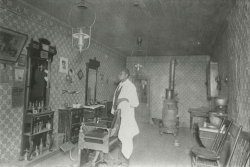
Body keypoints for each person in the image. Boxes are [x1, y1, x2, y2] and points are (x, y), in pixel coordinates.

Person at [111, 68, 139, 167]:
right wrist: (114, 111)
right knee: (119, 138)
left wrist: (124, 99)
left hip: (127, 117)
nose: (119, 75)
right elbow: (115, 100)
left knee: (126, 139)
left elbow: (136, 103)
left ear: (127, 75)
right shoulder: (120, 86)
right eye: (119, 73)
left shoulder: (131, 86)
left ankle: (126, 162)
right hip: (119, 115)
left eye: (121, 73)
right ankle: (119, 159)